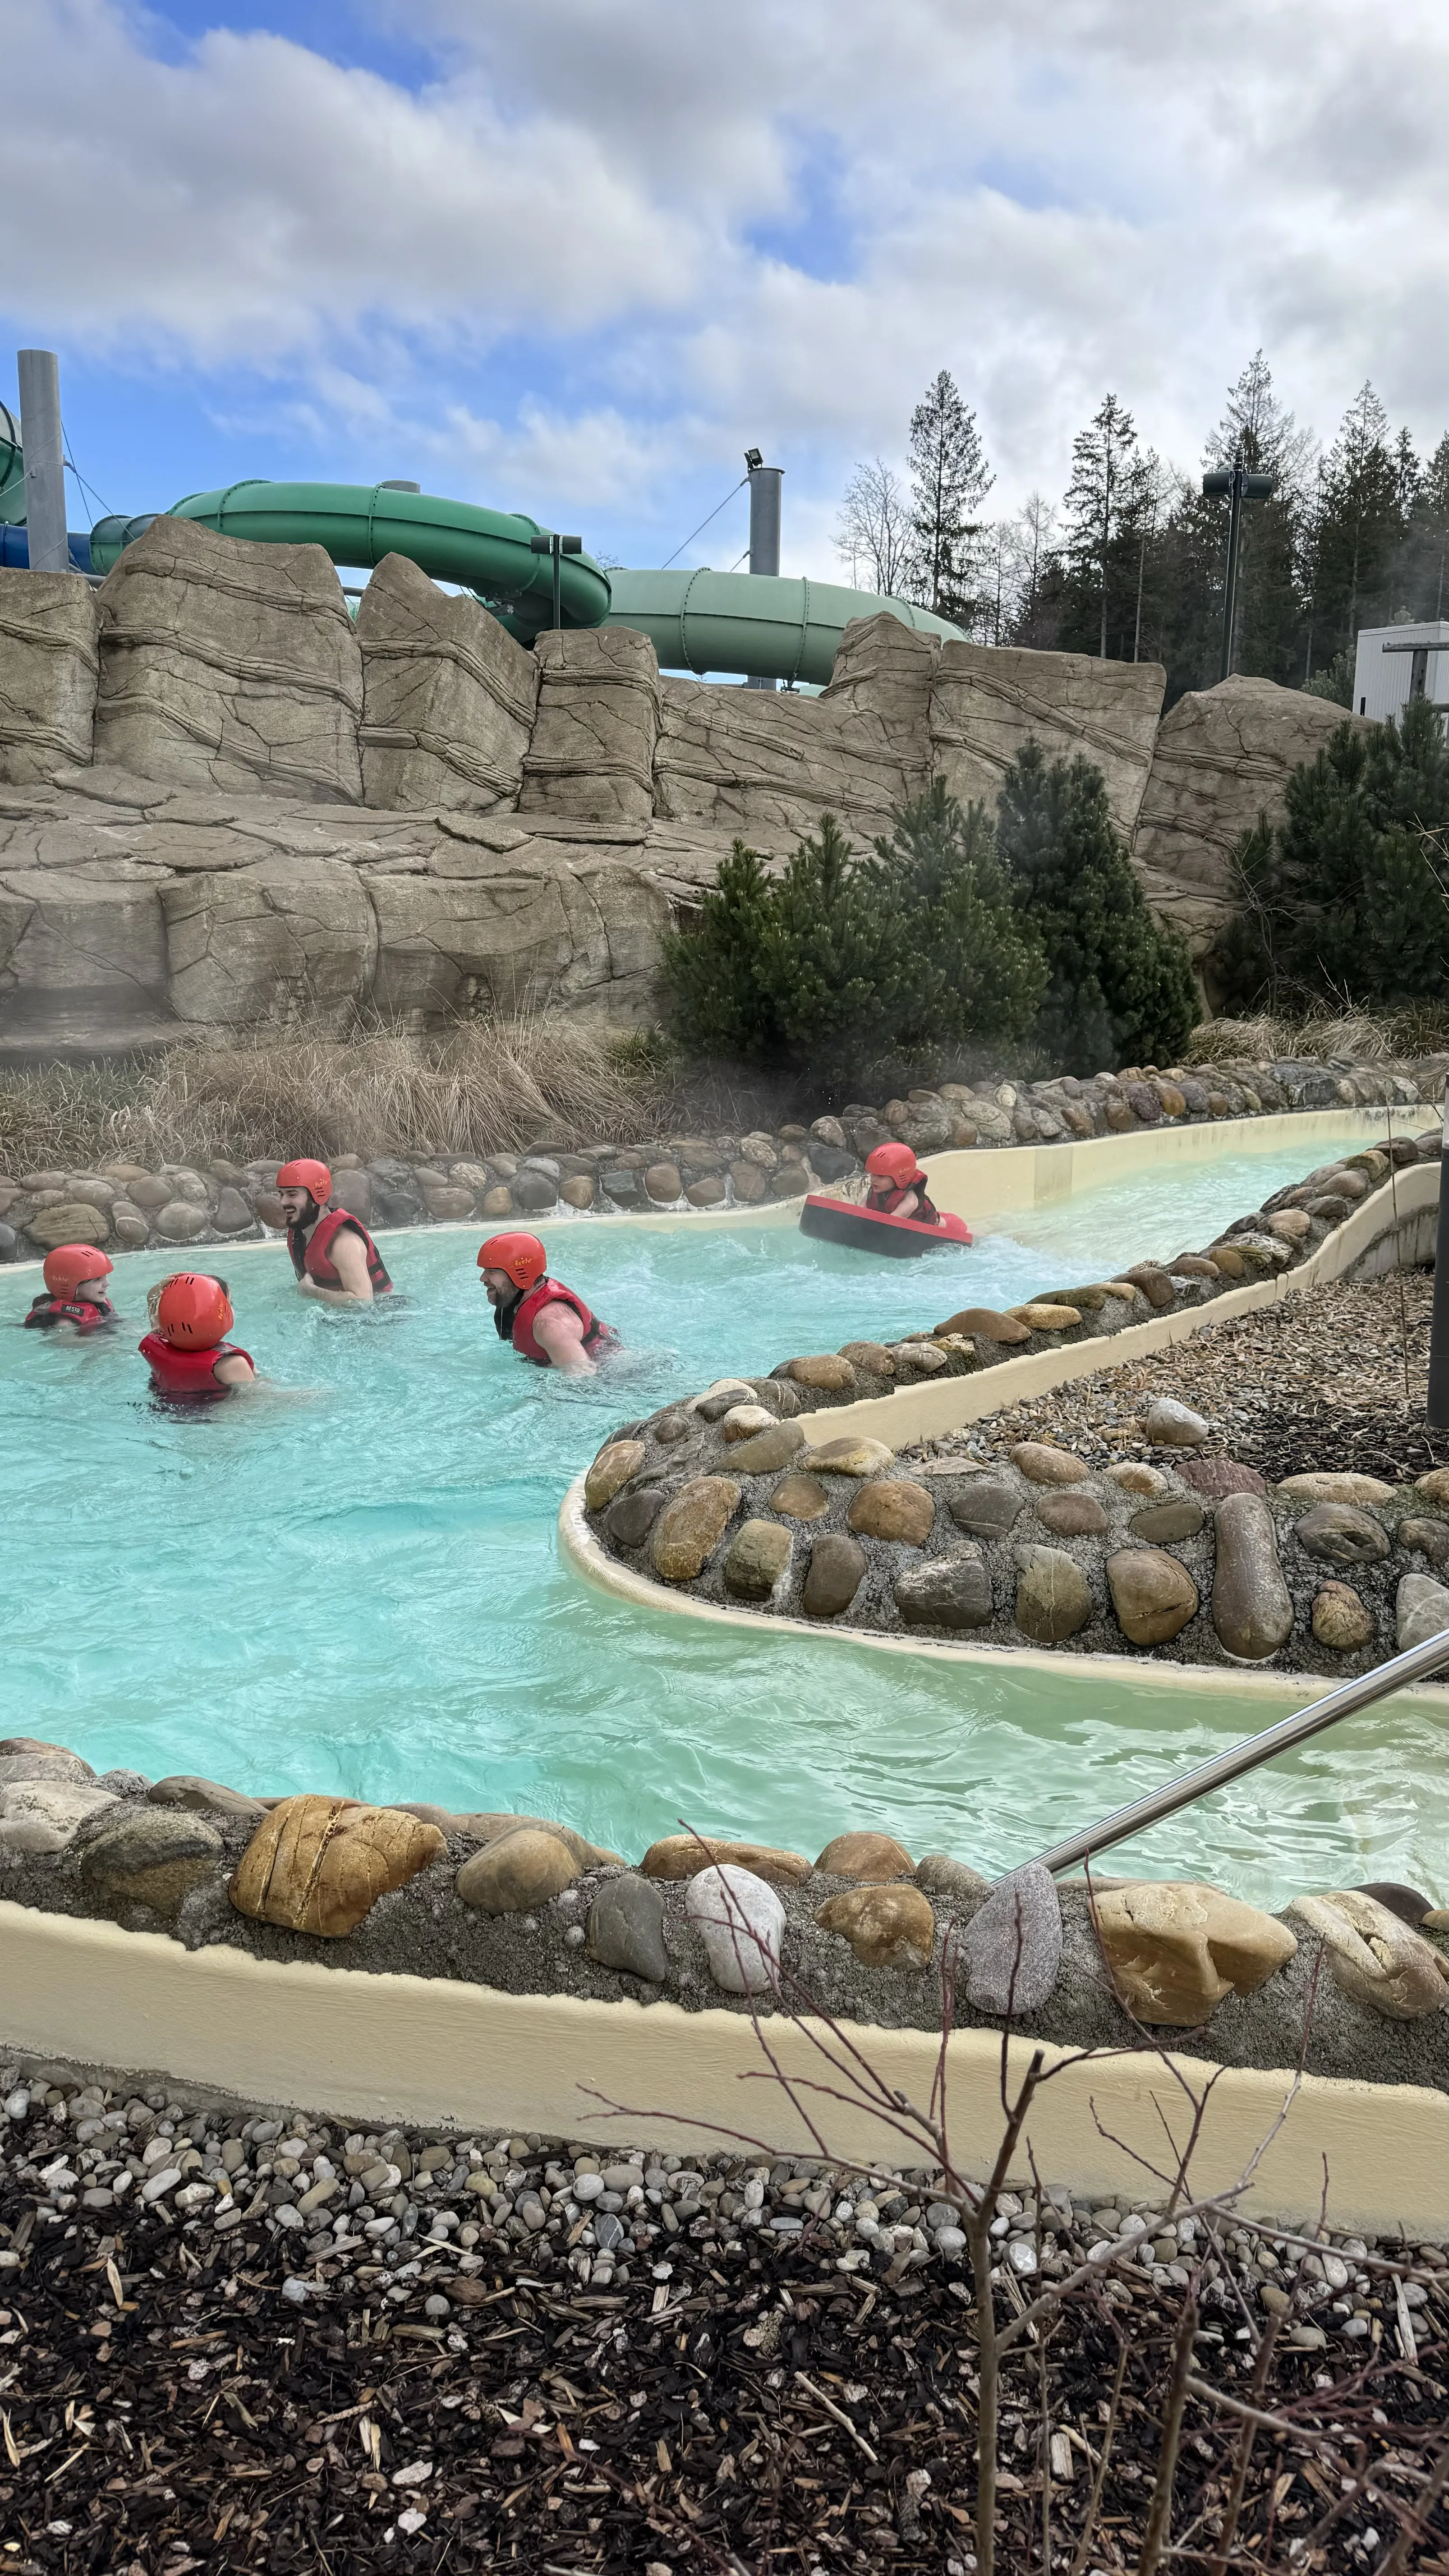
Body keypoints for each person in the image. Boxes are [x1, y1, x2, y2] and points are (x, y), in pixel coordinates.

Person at [477, 1231, 616, 1374]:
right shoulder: (515, 1301)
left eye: (492, 1271)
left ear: (520, 1274)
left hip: (609, 1372)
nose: (483, 1278)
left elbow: (583, 1376)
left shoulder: (549, 1324)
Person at [274, 1158, 392, 1305]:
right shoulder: (300, 1235)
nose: (283, 1202)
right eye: (281, 1194)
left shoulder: (345, 1244)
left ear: (318, 1195)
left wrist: (312, 1292)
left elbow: (363, 1303)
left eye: (292, 1195)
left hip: (382, 1315)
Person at [138, 1273, 258, 1401]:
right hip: (210, 1417)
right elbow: (255, 1401)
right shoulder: (231, 1364)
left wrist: (154, 1298)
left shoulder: (157, 1344)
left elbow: (157, 1323)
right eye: (230, 1303)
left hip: (161, 1411)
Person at [23, 1243, 117, 1332]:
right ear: (72, 1286)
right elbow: (65, 1345)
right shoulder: (65, 1323)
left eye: (105, 1277)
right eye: (97, 1280)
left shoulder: (102, 1304)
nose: (107, 1284)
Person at [863, 1141, 943, 1224]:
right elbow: (860, 1212)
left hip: (933, 1226)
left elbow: (889, 1224)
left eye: (881, 1176)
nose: (873, 1179)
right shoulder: (876, 1190)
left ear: (900, 1177)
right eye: (873, 1174)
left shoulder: (910, 1201)